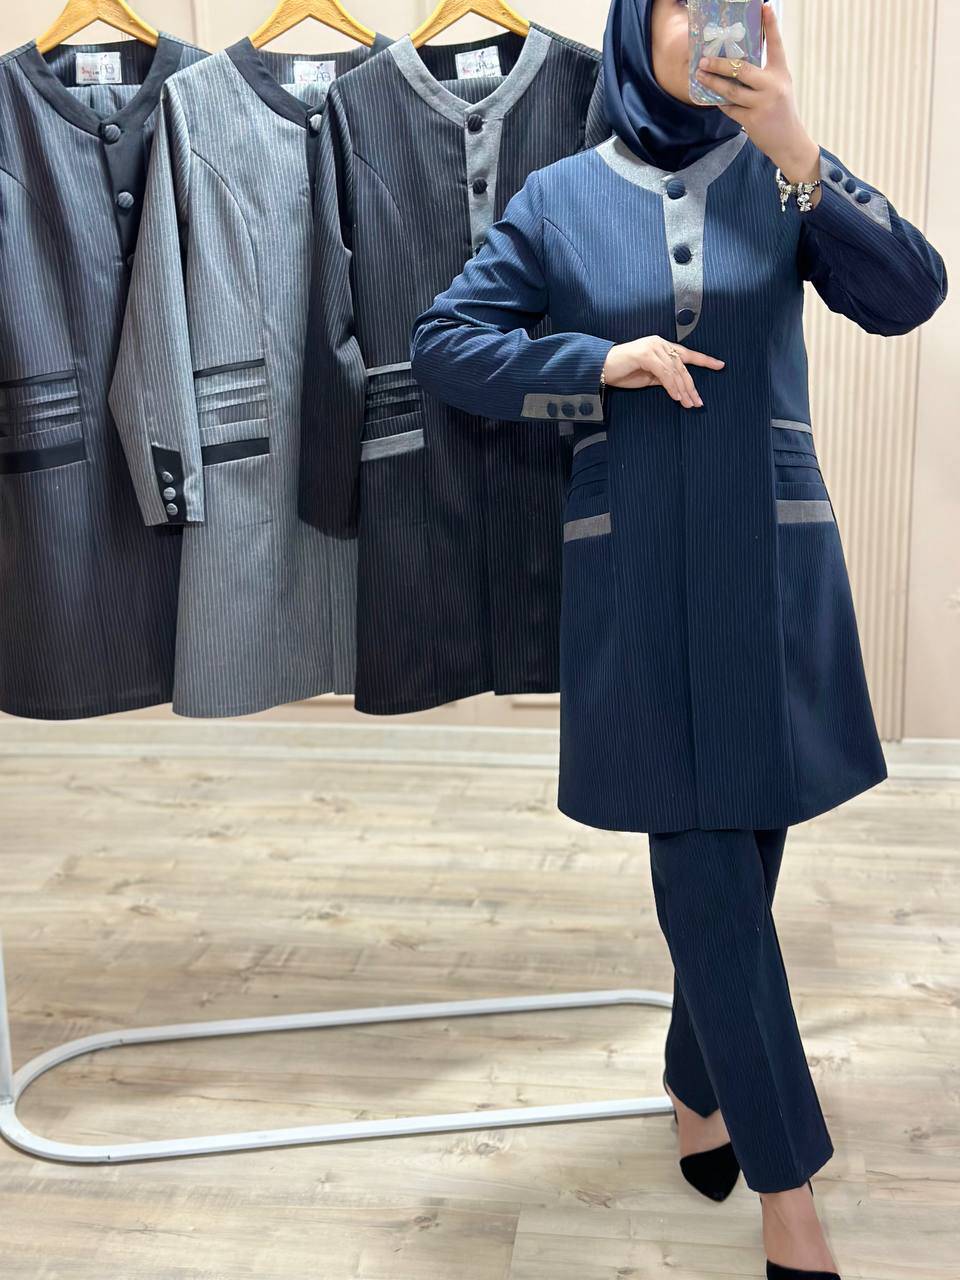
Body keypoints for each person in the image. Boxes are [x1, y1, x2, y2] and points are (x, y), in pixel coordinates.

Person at [409, 1, 947, 1276]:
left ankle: (694, 1080)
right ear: (636, 25)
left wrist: (803, 152)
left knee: (746, 839)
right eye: (686, 2)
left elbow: (911, 295)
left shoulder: (781, 177)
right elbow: (446, 345)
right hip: (642, 562)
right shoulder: (558, 197)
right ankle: (789, 1189)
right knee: (701, 851)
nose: (717, 22)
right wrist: (598, 360)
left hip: (770, 557)